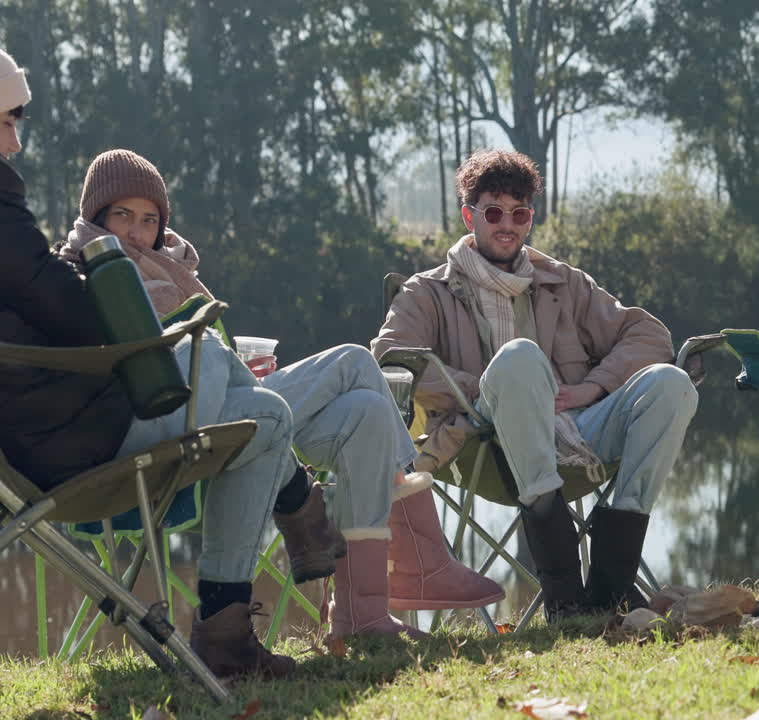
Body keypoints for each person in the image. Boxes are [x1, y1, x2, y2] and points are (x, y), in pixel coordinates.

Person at [60, 149, 504, 643]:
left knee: (368, 411)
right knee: (356, 361)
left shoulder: (169, 268)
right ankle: (425, 554)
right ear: (96, 216)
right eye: (122, 215)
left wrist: (233, 369)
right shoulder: (89, 272)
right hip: (178, 432)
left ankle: (362, 617)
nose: (135, 231)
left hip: (228, 412)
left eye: (148, 219)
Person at [0, 48, 301, 678]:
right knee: (237, 387)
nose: (14, 143)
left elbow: (37, 290)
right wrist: (118, 290)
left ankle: (239, 613)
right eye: (4, 121)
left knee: (268, 408)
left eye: (16, 122)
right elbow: (58, 303)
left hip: (45, 437)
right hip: (72, 447)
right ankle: (257, 578)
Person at [372, 149, 698, 620]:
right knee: (520, 358)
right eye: (493, 212)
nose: (507, 223)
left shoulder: (562, 282)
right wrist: (481, 391)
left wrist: (594, 388)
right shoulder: (428, 291)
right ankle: (564, 595)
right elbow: (389, 359)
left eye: (519, 213)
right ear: (470, 216)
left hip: (575, 431)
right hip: (479, 441)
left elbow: (649, 335)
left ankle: (611, 585)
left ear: (529, 219)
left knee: (672, 382)